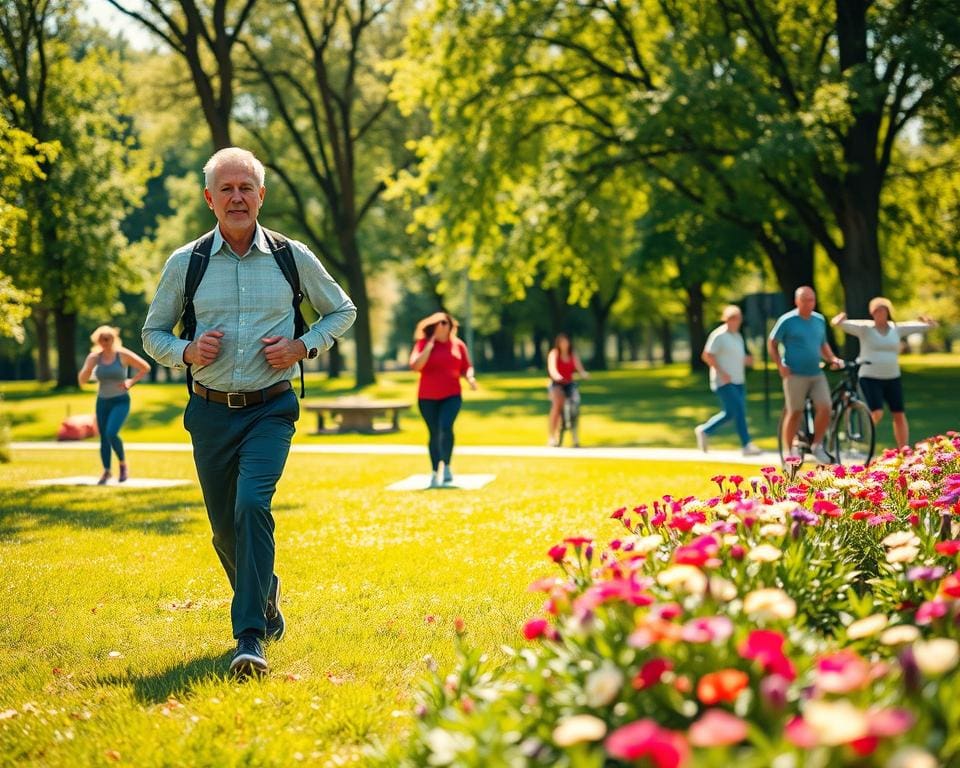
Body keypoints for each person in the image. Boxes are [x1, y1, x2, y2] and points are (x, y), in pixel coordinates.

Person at [142, 147, 356, 677]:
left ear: (262, 195)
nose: (237, 197)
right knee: (224, 530)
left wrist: (303, 347)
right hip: (210, 413)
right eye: (227, 189)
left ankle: (249, 638)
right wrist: (187, 353)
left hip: (271, 409)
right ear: (209, 199)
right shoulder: (185, 263)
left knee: (251, 504)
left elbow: (342, 310)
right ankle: (265, 593)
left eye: (247, 188)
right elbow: (152, 334)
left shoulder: (291, 255)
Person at [831, 297, 936, 448]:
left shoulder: (895, 328)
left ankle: (903, 449)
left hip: (892, 377)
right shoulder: (865, 328)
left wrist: (927, 323)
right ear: (871, 313)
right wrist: (840, 318)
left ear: (887, 312)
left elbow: (921, 326)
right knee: (877, 412)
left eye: (883, 310)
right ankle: (862, 436)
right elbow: (838, 324)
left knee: (899, 414)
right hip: (870, 376)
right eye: (876, 311)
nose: (879, 314)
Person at [769, 286, 842, 463]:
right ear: (797, 301)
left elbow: (822, 345)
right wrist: (780, 365)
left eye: (811, 300)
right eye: (805, 300)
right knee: (795, 411)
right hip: (794, 374)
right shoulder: (787, 320)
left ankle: (817, 445)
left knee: (825, 406)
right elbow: (772, 343)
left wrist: (832, 358)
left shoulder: (819, 320)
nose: (809, 303)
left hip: (816, 373)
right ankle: (790, 452)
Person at [409, 311, 477, 487]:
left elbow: (466, 367)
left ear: (450, 326)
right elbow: (416, 366)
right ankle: (434, 470)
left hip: (452, 395)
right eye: (438, 324)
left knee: (446, 427)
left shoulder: (458, 345)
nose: (442, 327)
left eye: (445, 323)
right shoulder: (423, 343)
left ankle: (446, 466)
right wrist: (429, 347)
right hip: (427, 397)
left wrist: (470, 378)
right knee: (434, 433)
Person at [77, 325, 151, 485]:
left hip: (120, 401)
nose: (105, 342)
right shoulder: (95, 357)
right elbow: (82, 380)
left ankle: (123, 464)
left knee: (111, 432)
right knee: (103, 437)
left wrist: (130, 381)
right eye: (101, 339)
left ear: (113, 339)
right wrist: (87, 369)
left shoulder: (122, 354)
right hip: (102, 401)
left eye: (108, 338)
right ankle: (107, 471)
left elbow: (145, 367)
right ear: (97, 341)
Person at [695, 305, 762, 456]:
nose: (736, 322)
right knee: (739, 411)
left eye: (738, 319)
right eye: (733, 318)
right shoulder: (719, 335)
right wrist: (722, 373)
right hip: (723, 382)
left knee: (730, 413)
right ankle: (746, 445)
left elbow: (736, 357)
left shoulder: (737, 336)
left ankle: (705, 430)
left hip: (739, 381)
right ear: (727, 319)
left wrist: (747, 360)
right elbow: (707, 355)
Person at [547, 333, 589, 447]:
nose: (564, 344)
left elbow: (579, 368)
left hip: (569, 383)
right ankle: (552, 437)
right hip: (556, 384)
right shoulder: (554, 354)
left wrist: (583, 374)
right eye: (562, 342)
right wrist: (557, 376)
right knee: (557, 406)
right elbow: (552, 369)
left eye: (566, 341)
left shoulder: (572, 354)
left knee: (575, 405)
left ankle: (575, 437)